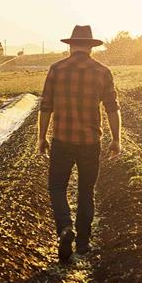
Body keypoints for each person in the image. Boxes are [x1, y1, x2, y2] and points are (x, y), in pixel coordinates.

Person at [38, 25, 121, 262]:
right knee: (86, 191)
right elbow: (112, 108)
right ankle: (83, 243)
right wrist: (116, 139)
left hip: (62, 140)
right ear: (91, 47)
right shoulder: (102, 71)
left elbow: (46, 107)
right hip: (90, 142)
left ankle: (65, 228)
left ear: (71, 45)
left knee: (56, 188)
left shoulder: (56, 69)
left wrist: (41, 137)